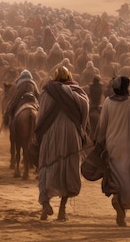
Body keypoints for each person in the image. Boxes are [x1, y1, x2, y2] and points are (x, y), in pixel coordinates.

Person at [95, 75, 130, 227]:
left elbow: (102, 126)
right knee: (128, 179)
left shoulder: (107, 102)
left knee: (114, 175)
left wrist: (98, 144)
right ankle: (123, 208)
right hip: (129, 147)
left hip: (112, 147)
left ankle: (116, 197)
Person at [35, 66, 89, 221]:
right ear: (69, 76)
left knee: (46, 165)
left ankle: (45, 203)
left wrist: (37, 134)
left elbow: (40, 116)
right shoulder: (78, 93)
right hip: (71, 135)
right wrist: (83, 130)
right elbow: (84, 113)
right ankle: (62, 210)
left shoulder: (46, 92)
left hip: (50, 134)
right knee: (68, 168)